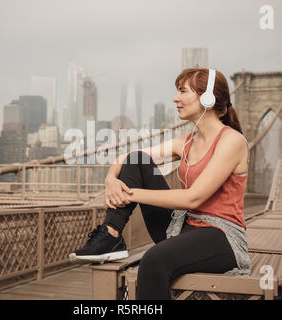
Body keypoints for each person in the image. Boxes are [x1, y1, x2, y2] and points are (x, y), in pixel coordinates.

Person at [69, 68, 251, 300]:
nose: (175, 98)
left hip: (221, 237)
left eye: (183, 91)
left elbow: (192, 198)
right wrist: (110, 179)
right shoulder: (185, 143)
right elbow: (126, 159)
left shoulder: (232, 141)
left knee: (153, 259)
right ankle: (111, 235)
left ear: (207, 97)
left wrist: (130, 194)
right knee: (138, 160)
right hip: (183, 227)